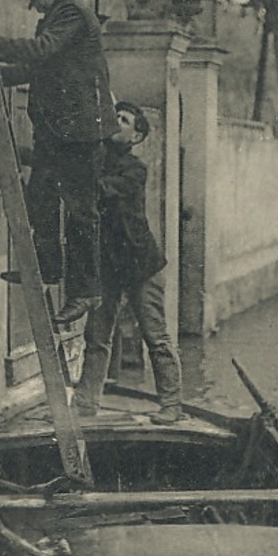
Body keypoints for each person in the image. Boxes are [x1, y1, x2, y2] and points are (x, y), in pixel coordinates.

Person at [0, 0, 119, 324]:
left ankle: (85, 292)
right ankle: (48, 268)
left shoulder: (73, 12)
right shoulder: (56, 15)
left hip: (80, 131)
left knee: (81, 212)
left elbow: (42, 51)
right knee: (41, 198)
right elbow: (39, 67)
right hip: (58, 129)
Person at [72, 100, 184, 425]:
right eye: (114, 116)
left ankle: (172, 405)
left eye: (123, 120)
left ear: (135, 137)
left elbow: (102, 190)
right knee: (97, 336)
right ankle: (85, 404)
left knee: (156, 336)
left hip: (140, 266)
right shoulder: (95, 156)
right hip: (107, 266)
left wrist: (77, 180)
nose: (116, 122)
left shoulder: (136, 169)